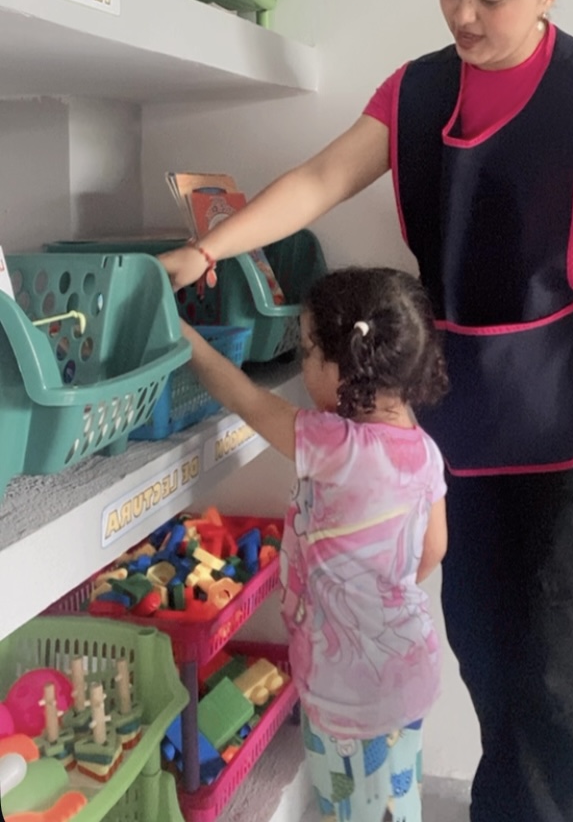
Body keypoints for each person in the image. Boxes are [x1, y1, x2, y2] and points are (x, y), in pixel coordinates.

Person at [161, 0, 573, 821]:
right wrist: (208, 248)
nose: (462, 14)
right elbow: (322, 177)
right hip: (458, 427)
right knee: (489, 657)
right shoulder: (420, 90)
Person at [182, 266, 449, 822]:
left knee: (353, 806)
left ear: (347, 366)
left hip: (349, 690)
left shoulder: (335, 445)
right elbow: (434, 549)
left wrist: (182, 335)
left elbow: (249, 401)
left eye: (307, 353)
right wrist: (376, 590)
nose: (302, 368)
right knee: (388, 803)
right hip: (402, 667)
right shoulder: (424, 451)